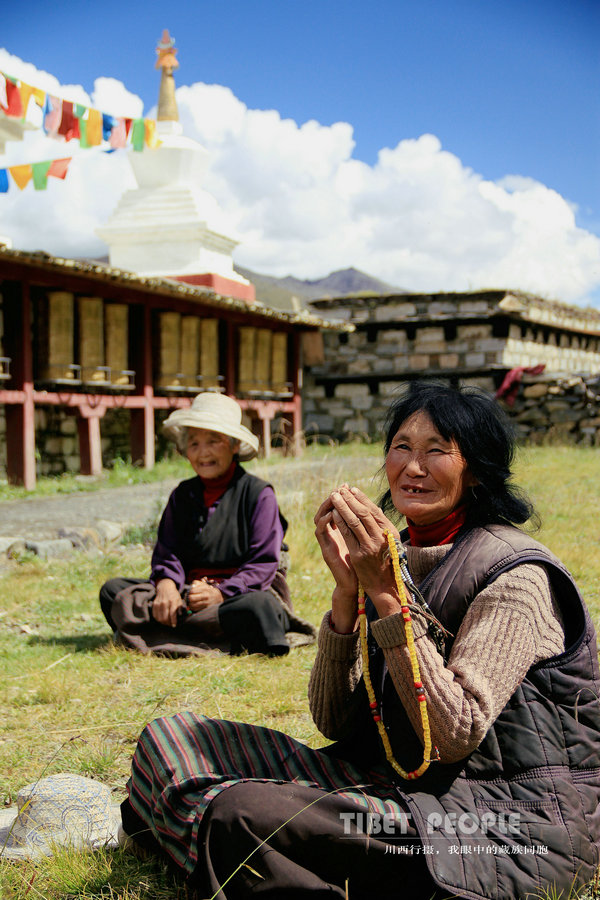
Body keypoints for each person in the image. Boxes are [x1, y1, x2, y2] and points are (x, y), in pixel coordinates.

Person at [118, 382, 600, 899]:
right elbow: (335, 722)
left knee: (240, 815)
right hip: (398, 784)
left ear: (476, 470)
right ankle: (224, 846)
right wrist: (347, 596)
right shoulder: (394, 555)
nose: (413, 467)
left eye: (436, 450)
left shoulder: (516, 576)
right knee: (170, 739)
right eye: (401, 447)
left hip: (506, 825)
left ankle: (201, 836)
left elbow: (452, 738)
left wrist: (387, 600)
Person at [100, 392, 314, 657]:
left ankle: (165, 634)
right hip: (187, 596)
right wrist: (167, 585)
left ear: (234, 446)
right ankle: (201, 634)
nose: (203, 453)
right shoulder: (182, 495)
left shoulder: (258, 495)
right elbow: (168, 551)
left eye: (214, 441)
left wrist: (220, 593)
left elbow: (263, 564)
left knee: (258, 608)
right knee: (114, 592)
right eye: (194, 443)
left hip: (236, 597)